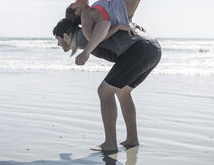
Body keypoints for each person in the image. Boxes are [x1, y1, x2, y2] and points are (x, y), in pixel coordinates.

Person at [52, 18, 161, 152]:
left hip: (137, 50)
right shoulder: (86, 33)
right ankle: (132, 139)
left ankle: (110, 143)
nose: (58, 44)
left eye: (57, 39)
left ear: (65, 36)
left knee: (104, 91)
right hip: (153, 48)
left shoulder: (81, 36)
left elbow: (104, 23)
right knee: (123, 91)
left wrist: (86, 53)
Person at [16, 0, 143, 66]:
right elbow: (101, 30)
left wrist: (125, 24)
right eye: (74, 3)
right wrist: (86, 52)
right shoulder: (86, 15)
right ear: (77, 11)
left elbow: (105, 25)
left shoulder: (95, 14)